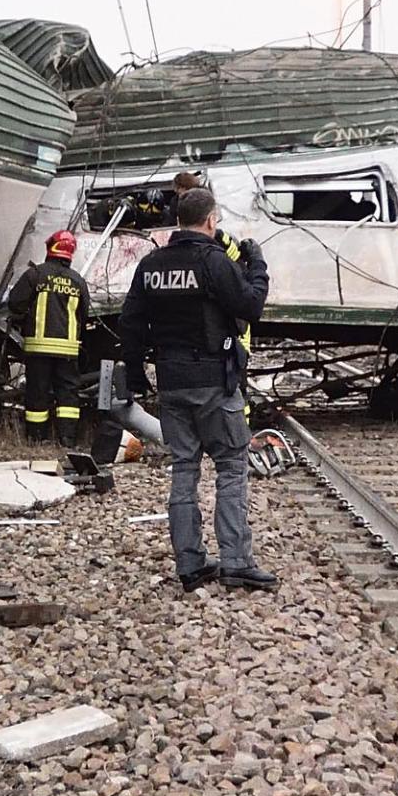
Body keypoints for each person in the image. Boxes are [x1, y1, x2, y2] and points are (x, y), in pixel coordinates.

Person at [117, 188, 275, 591]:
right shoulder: (213, 262)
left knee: (184, 469)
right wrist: (257, 265)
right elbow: (249, 306)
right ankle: (237, 561)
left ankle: (190, 565)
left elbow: (131, 323)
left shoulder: (151, 265)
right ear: (211, 220)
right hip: (212, 382)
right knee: (231, 466)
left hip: (171, 382)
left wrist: (136, 376)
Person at [2, 230, 92, 450]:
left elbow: (15, 303)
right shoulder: (78, 281)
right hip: (68, 351)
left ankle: (36, 439)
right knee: (68, 396)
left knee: (37, 392)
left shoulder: (35, 275)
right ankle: (67, 440)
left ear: (51, 247)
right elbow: (84, 314)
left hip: (39, 348)